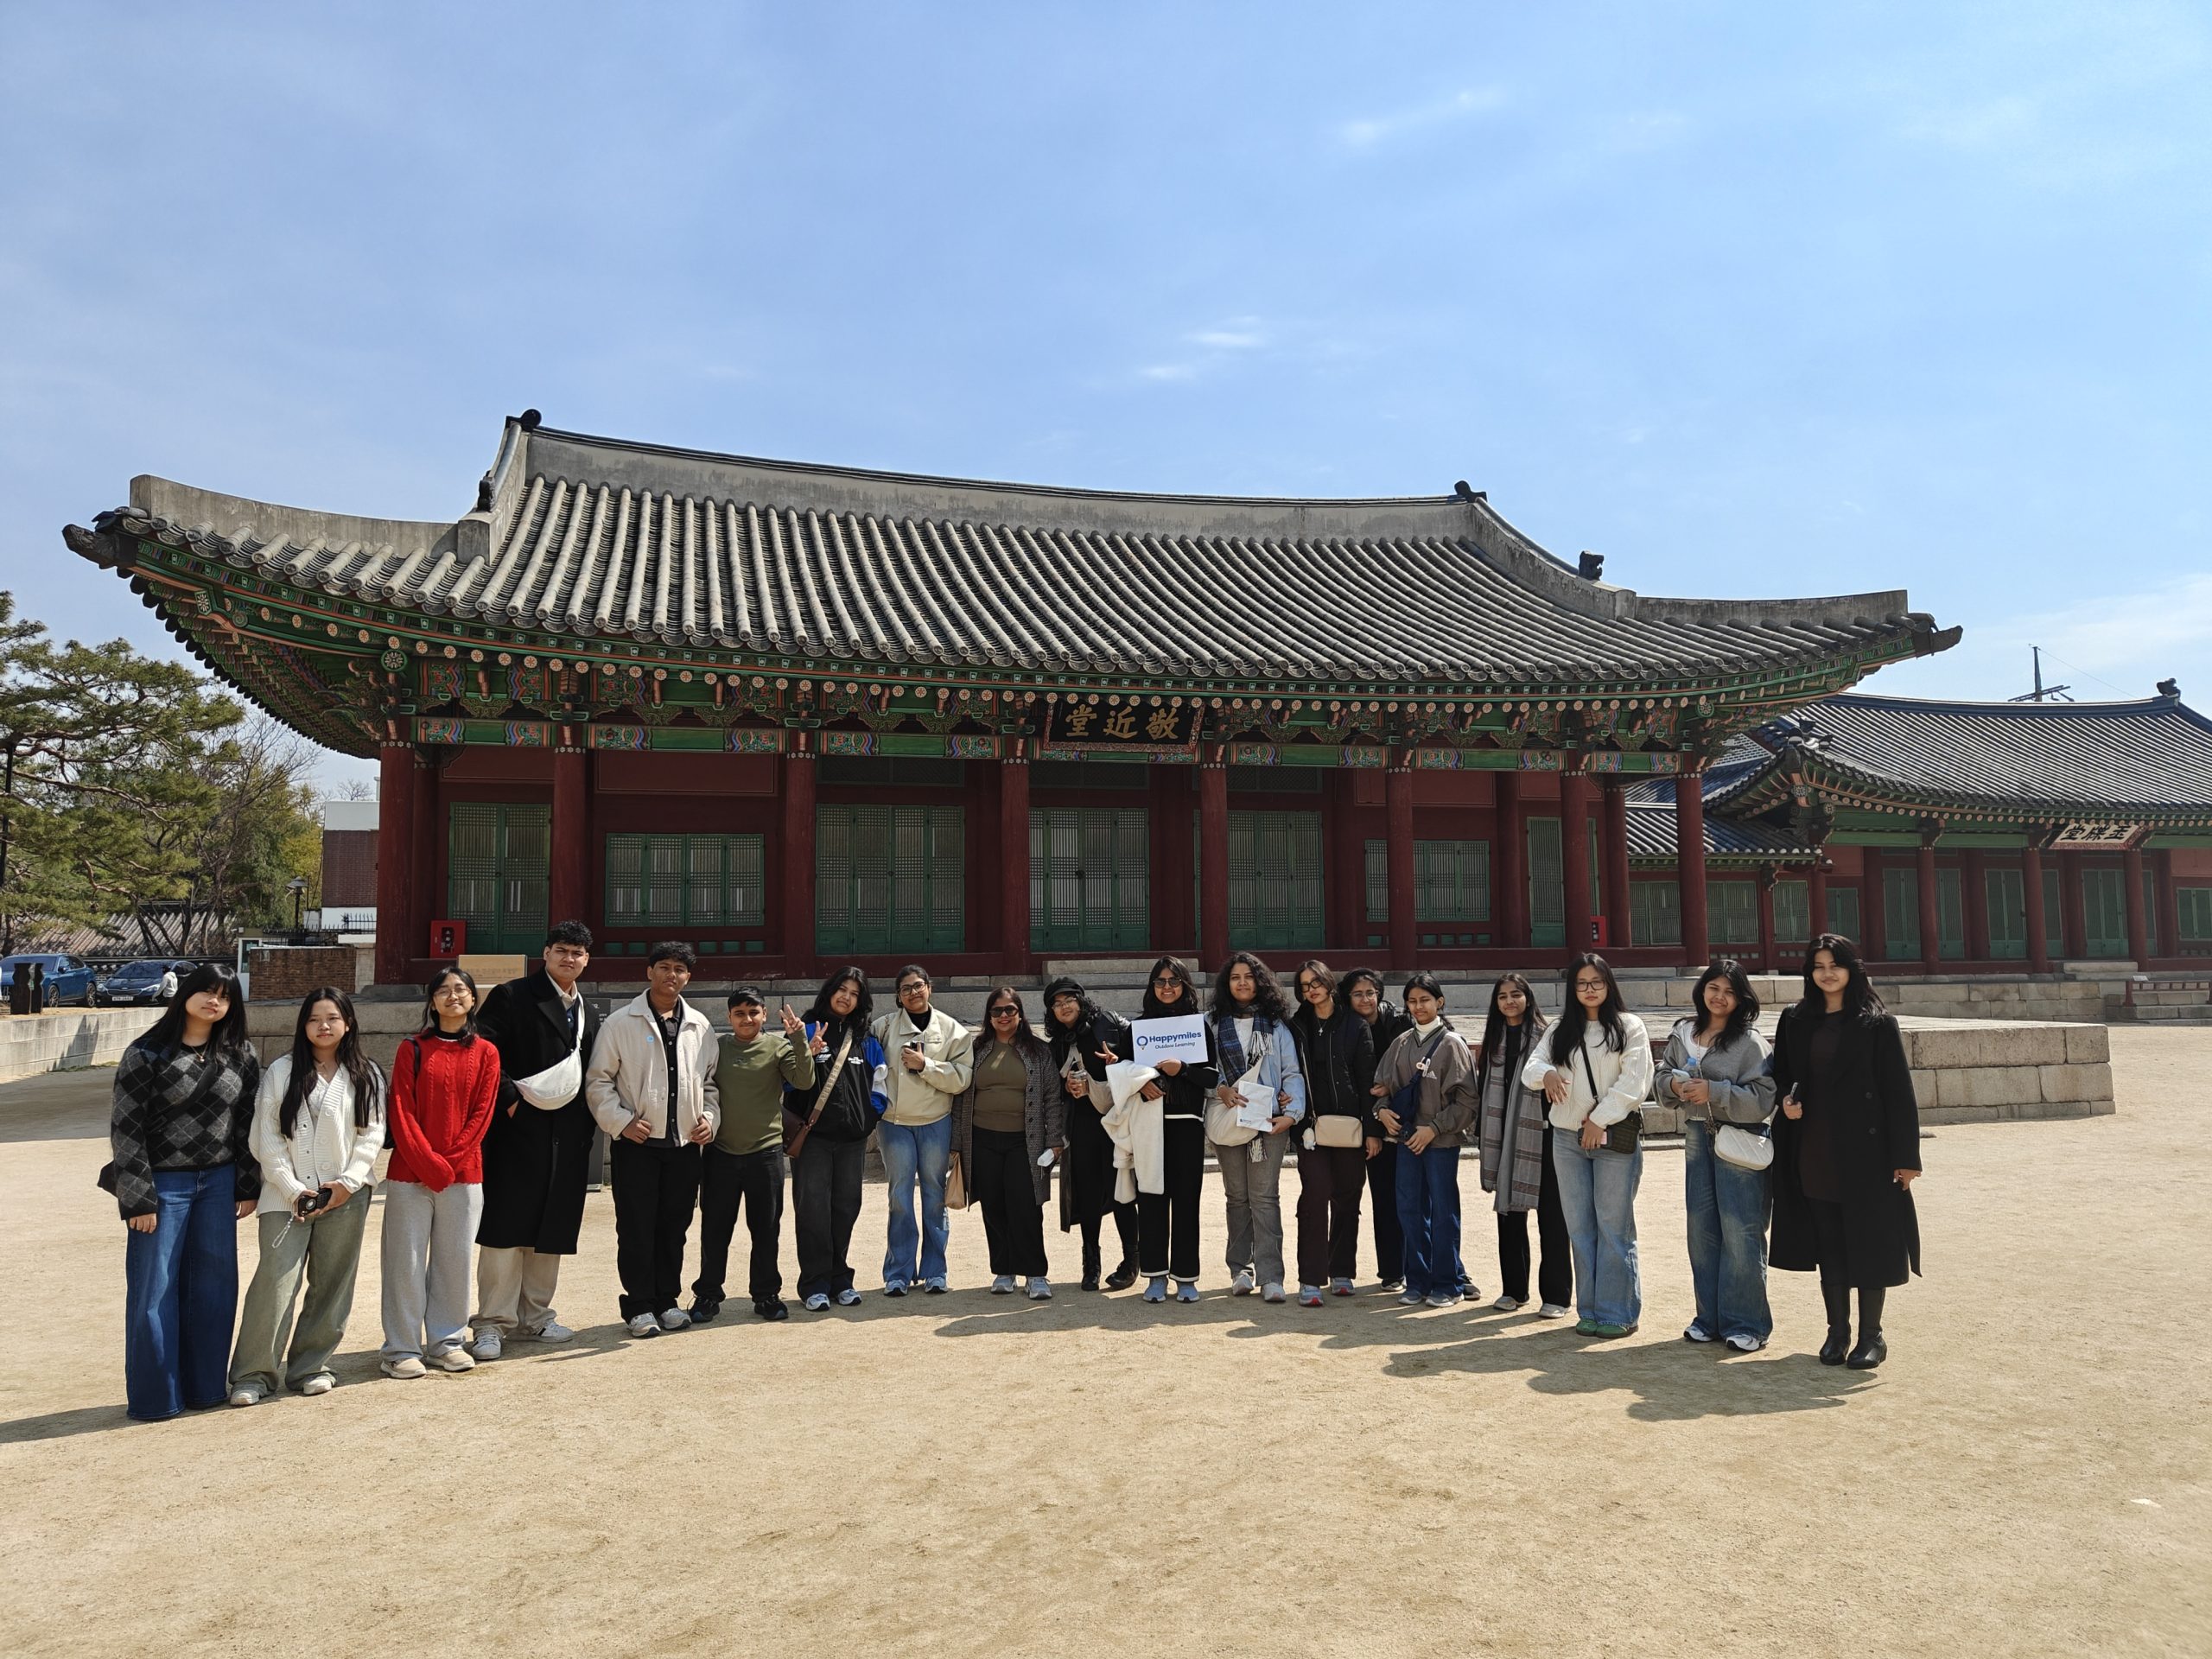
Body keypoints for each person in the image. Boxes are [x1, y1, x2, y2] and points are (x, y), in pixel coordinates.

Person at [108, 963, 259, 1421]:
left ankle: (207, 1389)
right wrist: (138, 1197)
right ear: (185, 995)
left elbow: (246, 1124)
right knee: (154, 1290)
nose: (215, 1002)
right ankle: (157, 1399)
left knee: (215, 1286)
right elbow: (126, 1129)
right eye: (207, 992)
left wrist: (247, 1184)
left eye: (225, 996)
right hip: (163, 1184)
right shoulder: (145, 1053)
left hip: (219, 1182)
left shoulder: (240, 1054)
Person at [1770, 934, 1923, 1370]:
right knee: (1829, 1243)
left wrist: (1906, 1159)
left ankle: (1872, 1336)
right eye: (1818, 966)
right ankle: (1837, 1332)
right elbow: (1781, 1075)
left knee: (1869, 1240)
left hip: (1866, 1152)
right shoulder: (1795, 1019)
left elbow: (1898, 1092)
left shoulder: (1877, 1023)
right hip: (1813, 1146)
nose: (1827, 973)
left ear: (1851, 969)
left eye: (1834, 965)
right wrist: (1785, 1101)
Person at [229, 988, 385, 1404]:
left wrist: (348, 1182)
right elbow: (265, 1137)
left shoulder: (366, 1073)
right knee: (275, 1283)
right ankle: (254, 1374)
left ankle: (311, 1366)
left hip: (346, 1195)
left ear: (348, 1023)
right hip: (286, 1198)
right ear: (303, 1025)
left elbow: (372, 1134)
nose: (323, 1026)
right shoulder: (282, 1071)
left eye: (332, 1018)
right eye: (314, 1019)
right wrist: (293, 1188)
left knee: (333, 1284)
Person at [467, 920, 603, 1360]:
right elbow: (484, 1052)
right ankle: (492, 1322)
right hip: (516, 1131)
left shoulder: (588, 1011)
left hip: (567, 1133)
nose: (569, 958)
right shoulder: (512, 996)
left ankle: (537, 1316)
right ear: (545, 953)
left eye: (578, 953)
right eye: (561, 950)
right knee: (506, 1227)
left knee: (551, 1226)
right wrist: (510, 1102)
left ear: (587, 960)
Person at [583, 942, 721, 1339]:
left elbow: (710, 1083)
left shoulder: (699, 1025)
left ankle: (667, 1300)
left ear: (688, 977)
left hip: (683, 1145)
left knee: (674, 1227)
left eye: (679, 969)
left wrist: (709, 1119)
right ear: (649, 972)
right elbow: (598, 1081)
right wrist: (622, 1122)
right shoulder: (621, 1023)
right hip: (637, 1145)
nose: (671, 975)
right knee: (636, 1228)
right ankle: (640, 1305)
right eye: (664, 967)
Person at [1524, 953, 1654, 1339]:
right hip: (1567, 1139)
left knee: (1613, 1226)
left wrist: (1599, 1119)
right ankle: (1590, 1309)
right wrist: (1547, 1073)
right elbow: (1531, 1068)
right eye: (1581, 983)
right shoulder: (1560, 1029)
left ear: (1609, 984)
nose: (1590, 989)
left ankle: (1618, 1311)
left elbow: (1635, 1082)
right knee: (1580, 1227)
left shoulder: (1629, 1026)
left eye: (1597, 982)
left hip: (1612, 1137)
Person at [381, 966, 501, 1377]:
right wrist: (429, 1163)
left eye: (461, 989)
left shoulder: (487, 1052)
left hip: (464, 1176)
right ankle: (400, 1348)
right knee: (405, 1264)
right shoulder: (411, 1048)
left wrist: (448, 1164)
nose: (453, 996)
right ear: (432, 1001)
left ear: (473, 999)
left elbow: (482, 1114)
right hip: (409, 1175)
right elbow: (401, 1110)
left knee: (455, 1263)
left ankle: (446, 1342)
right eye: (444, 990)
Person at [1655, 959, 1777, 1353]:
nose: (1719, 997)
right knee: (1702, 1231)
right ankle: (1708, 1319)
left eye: (1729, 991)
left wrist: (1716, 1091)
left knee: (1741, 1232)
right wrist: (1675, 1085)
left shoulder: (1751, 1043)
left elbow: (1764, 1098)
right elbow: (1661, 1076)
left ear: (1741, 999)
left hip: (1739, 1138)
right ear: (1702, 990)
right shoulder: (1684, 1033)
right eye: (1713, 988)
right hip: (1697, 1135)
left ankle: (1747, 1324)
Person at [694, 985, 821, 1323]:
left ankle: (766, 1295)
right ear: (729, 1016)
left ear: (764, 1014)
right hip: (720, 1153)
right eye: (739, 1013)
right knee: (714, 1229)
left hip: (765, 1154)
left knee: (765, 1229)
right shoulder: (717, 1047)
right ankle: (707, 1294)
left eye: (753, 1012)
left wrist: (799, 1039)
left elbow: (804, 1081)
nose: (747, 1019)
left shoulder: (778, 1046)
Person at [1369, 972, 1477, 1307]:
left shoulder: (1452, 1044)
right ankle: (1417, 1281)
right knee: (1410, 1211)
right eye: (1412, 1001)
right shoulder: (1400, 1043)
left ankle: (1448, 1283)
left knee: (1444, 1212)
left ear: (1439, 1002)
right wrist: (1382, 1112)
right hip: (1406, 1141)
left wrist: (1434, 1128)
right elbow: (1381, 1090)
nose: (1418, 1007)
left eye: (1425, 1000)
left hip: (1440, 1142)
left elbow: (1468, 1101)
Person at [950, 986, 1065, 1300]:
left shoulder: (1039, 1052)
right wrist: (956, 1143)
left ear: (1020, 1014)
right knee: (993, 1205)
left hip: (1024, 1141)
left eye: (1009, 1010)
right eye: (997, 1010)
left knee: (1026, 1206)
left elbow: (1052, 1098)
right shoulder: (975, 1049)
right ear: (989, 1016)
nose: (1003, 1016)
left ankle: (1036, 1273)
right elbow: (960, 1097)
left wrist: (1055, 1139)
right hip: (982, 1138)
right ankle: (1004, 1270)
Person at [871, 964, 976, 1296]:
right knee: (899, 1198)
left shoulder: (952, 1029)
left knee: (934, 1197)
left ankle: (935, 1270)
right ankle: (898, 1272)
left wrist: (926, 1066)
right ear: (898, 996)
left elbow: (963, 1077)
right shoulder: (883, 1027)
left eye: (918, 986)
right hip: (895, 1124)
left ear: (929, 987)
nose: (914, 993)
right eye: (906, 989)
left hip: (935, 1121)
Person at [1207, 952, 1306, 1304]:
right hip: (1229, 1119)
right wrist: (1220, 1089)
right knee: (1236, 1197)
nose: (1242, 983)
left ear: (1260, 982)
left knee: (1265, 1198)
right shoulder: (1211, 1024)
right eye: (1235, 977)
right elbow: (1202, 1070)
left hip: (1268, 1123)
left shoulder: (1276, 1026)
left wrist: (1292, 1113)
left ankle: (1271, 1276)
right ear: (1227, 983)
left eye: (1249, 976)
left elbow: (1292, 1072)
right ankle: (1240, 1269)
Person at [786, 967, 886, 1311]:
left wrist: (869, 1118)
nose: (846, 997)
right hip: (812, 1137)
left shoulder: (865, 1039)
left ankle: (840, 1278)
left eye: (854, 993)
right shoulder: (805, 1029)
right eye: (842, 989)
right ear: (829, 991)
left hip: (852, 1140)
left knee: (846, 1207)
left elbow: (880, 1084)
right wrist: (806, 1054)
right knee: (813, 1209)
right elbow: (785, 1081)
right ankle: (814, 1283)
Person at [1473, 972, 1570, 1318]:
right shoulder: (1494, 1039)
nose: (1509, 1001)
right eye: (1502, 996)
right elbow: (1484, 1089)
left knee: (1552, 1218)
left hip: (1544, 1134)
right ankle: (1514, 1290)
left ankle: (1556, 1296)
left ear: (1528, 998)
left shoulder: (1548, 1036)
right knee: (1509, 1216)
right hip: (1503, 1136)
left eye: (1516, 994)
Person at [1288, 959, 1376, 1306]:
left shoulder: (1355, 1025)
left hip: (1350, 1126)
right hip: (1311, 1126)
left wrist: (1372, 1130)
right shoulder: (1296, 1026)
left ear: (1328, 982)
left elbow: (1368, 1081)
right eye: (1304, 985)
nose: (1311, 990)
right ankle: (1310, 1279)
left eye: (1316, 982)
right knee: (1315, 1196)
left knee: (1348, 1196)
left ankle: (1341, 1271)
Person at [1046, 976, 1141, 1292]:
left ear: (1081, 1000)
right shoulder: (1058, 1042)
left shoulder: (1110, 1024)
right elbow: (1053, 1086)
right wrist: (1067, 1086)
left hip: (1116, 1122)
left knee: (1122, 1192)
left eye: (1069, 1000)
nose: (1064, 1007)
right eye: (1057, 1004)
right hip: (1082, 1125)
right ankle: (1091, 1265)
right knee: (1087, 1195)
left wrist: (1118, 1064)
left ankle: (1131, 1261)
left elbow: (1138, 1060)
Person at [1133, 956, 1216, 1304]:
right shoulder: (1138, 1028)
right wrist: (1139, 1083)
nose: (1167, 988)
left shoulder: (1198, 1027)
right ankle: (1155, 1276)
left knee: (1186, 1201)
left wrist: (1181, 1068)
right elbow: (1123, 1072)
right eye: (1160, 981)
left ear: (1185, 985)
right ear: (1152, 986)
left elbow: (1211, 1078)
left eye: (1174, 981)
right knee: (1151, 1199)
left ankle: (1185, 1277)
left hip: (1187, 1125)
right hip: (1148, 1125)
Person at [1343, 968, 1410, 1292]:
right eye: (1358, 994)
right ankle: (1393, 1270)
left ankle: (1437, 1269)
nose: (1365, 999)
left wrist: (1390, 1090)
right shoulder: (1346, 1028)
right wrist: (1376, 1115)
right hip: (1372, 1124)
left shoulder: (1400, 1023)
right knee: (1383, 1198)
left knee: (1418, 1199)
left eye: (1370, 992)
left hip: (1408, 1119)